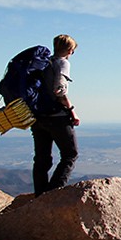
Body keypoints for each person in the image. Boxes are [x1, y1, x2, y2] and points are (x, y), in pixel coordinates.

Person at [31, 34, 80, 196]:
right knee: (70, 155)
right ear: (70, 50)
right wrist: (72, 110)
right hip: (56, 116)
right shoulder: (62, 63)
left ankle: (39, 196)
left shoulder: (43, 64)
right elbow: (59, 89)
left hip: (37, 117)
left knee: (41, 159)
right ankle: (52, 195)